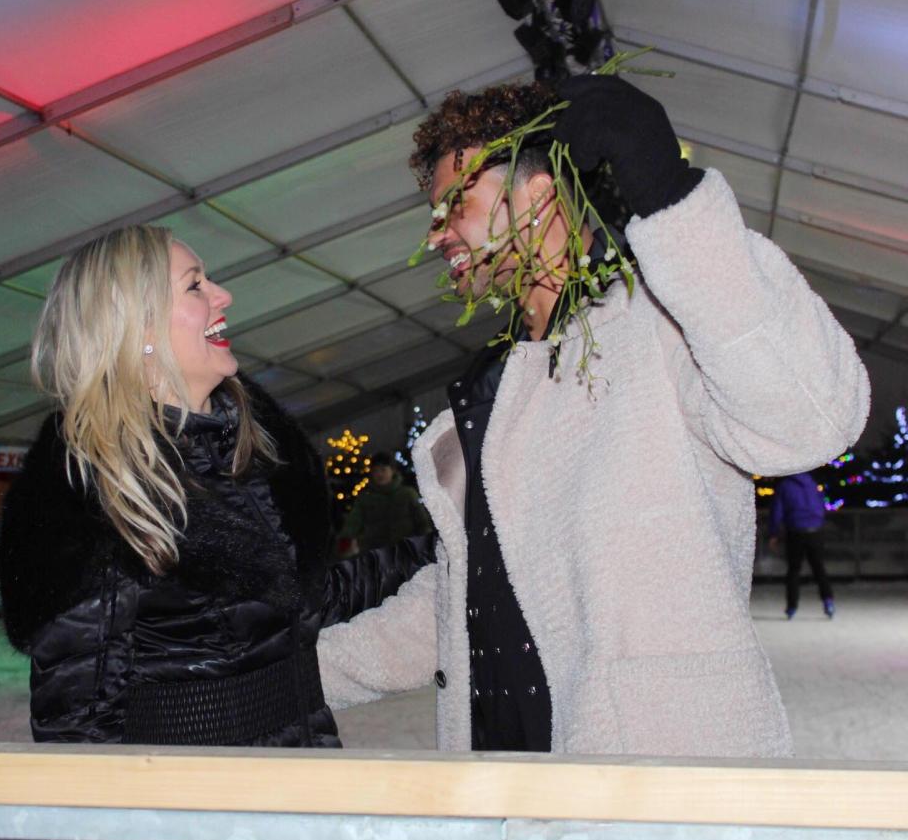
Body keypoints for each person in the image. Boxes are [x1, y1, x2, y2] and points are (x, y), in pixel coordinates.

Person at [316, 77, 869, 758]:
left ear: (540, 192)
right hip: (510, 788)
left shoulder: (660, 328)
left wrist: (669, 194)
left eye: (456, 204)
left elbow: (812, 418)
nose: (437, 235)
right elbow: (466, 599)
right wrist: (296, 675)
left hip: (656, 794)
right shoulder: (485, 400)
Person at [0, 226, 433, 755]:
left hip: (301, 772)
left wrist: (443, 547)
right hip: (202, 805)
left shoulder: (251, 456)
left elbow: (306, 600)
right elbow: (78, 735)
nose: (223, 295)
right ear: (139, 327)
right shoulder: (95, 496)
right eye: (195, 285)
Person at [768, 471, 835, 620]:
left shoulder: (784, 486)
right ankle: (828, 601)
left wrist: (773, 533)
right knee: (819, 568)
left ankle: (792, 607)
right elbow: (821, 504)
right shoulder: (811, 483)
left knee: (794, 570)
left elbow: (777, 511)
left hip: (795, 531)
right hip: (815, 531)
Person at [339, 452, 432, 554]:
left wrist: (425, 544)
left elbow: (422, 521)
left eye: (383, 470)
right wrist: (346, 540)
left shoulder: (407, 494)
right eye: (375, 471)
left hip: (406, 550)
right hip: (376, 552)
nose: (379, 474)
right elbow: (353, 522)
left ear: (392, 471)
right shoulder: (365, 498)